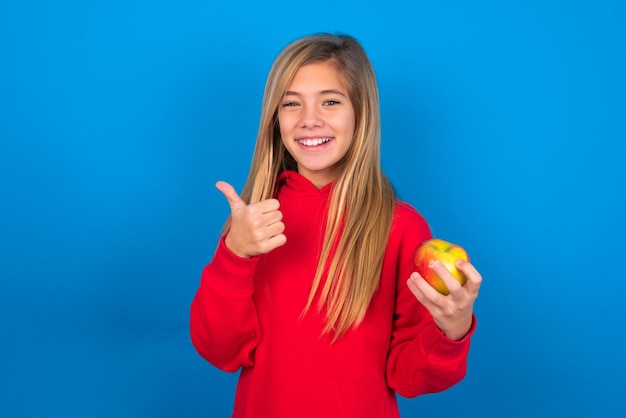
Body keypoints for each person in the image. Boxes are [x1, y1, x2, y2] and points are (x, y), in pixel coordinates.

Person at [190, 33, 482, 418]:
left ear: (361, 113)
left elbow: (411, 377)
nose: (310, 119)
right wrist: (235, 254)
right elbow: (220, 350)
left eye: (330, 101)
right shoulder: (253, 224)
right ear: (275, 119)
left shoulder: (400, 227)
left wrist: (452, 329)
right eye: (291, 103)